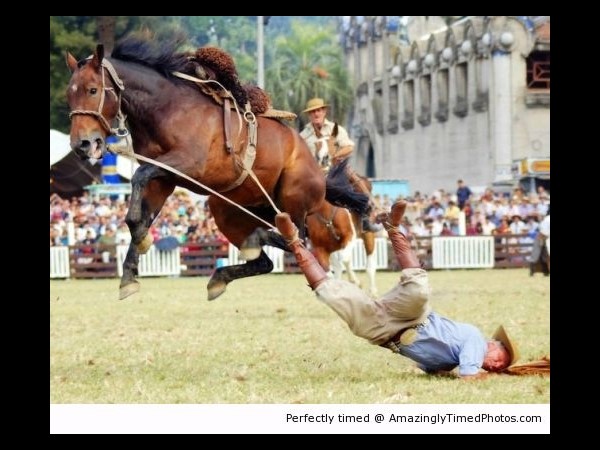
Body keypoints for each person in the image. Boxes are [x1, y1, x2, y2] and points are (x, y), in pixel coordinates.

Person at [274, 200, 518, 379]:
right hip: (412, 317)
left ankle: (294, 241)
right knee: (419, 289)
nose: (496, 365)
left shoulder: (450, 362)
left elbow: (427, 365)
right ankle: (392, 228)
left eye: (498, 366)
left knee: (330, 294)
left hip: (384, 333)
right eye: (500, 358)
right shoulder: (476, 340)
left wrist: (439, 371)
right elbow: (469, 377)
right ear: (492, 343)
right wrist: (503, 376)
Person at [299, 98, 379, 232]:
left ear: (324, 111)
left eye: (318, 110)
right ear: (309, 115)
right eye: (312, 112)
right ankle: (300, 226)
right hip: (313, 174)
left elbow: (349, 147)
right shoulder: (303, 135)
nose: (316, 114)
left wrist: (334, 155)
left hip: (335, 168)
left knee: (361, 184)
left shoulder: (335, 129)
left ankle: (364, 214)